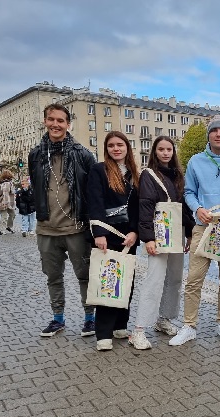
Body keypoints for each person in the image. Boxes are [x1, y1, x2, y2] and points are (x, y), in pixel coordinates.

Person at [168, 115, 220, 346]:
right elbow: (189, 193)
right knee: (194, 279)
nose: (218, 134)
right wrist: (198, 210)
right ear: (209, 135)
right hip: (203, 226)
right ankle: (189, 325)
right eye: (214, 130)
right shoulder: (196, 161)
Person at [29, 103, 97, 338]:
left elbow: (91, 191)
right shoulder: (36, 155)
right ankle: (58, 318)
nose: (55, 124)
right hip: (46, 228)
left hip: (76, 226)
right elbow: (37, 187)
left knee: (84, 275)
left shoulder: (83, 154)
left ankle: (90, 318)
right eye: (51, 119)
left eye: (60, 120)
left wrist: (92, 225)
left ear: (68, 124)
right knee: (53, 276)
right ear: (45, 121)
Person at [130, 135, 195, 350]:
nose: (166, 153)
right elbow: (146, 206)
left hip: (176, 232)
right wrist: (148, 238)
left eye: (169, 149)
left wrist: (189, 232)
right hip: (159, 234)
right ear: (155, 152)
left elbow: (183, 206)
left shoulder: (177, 175)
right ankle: (138, 329)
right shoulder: (149, 175)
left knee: (175, 279)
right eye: (161, 149)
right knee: (154, 279)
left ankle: (164, 318)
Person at [86, 131, 140, 351]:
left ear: (127, 147)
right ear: (106, 149)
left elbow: (138, 207)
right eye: (111, 146)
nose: (116, 149)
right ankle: (103, 333)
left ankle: (120, 325)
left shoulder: (135, 174)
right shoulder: (99, 170)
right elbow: (94, 201)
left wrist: (136, 232)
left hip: (128, 237)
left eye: (120, 145)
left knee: (126, 280)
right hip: (107, 235)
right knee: (107, 283)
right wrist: (98, 233)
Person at [0, 170, 16, 235]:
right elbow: (5, 194)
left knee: (12, 215)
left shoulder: (4, 183)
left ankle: (8, 227)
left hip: (8, 202)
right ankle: (2, 230)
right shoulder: (6, 183)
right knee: (4, 216)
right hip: (5, 202)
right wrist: (5, 203)